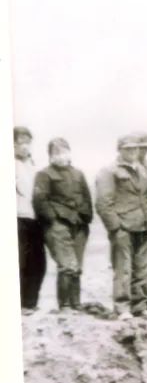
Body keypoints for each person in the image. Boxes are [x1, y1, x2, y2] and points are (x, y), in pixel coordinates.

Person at [96, 133, 147, 320]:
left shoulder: (143, 170)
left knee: (143, 270)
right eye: (128, 148)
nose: (132, 152)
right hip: (123, 227)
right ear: (120, 150)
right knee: (123, 269)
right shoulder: (109, 171)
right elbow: (103, 203)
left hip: (143, 227)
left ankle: (140, 307)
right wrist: (116, 228)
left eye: (135, 148)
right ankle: (122, 308)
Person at [32, 138, 93, 311]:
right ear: (50, 155)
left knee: (77, 266)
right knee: (66, 265)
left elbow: (87, 198)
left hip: (79, 225)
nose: (61, 156)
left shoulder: (78, 174)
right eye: (56, 152)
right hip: (58, 225)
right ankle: (65, 305)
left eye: (64, 151)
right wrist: (53, 220)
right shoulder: (44, 174)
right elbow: (40, 200)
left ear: (69, 152)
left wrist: (86, 218)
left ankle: (76, 304)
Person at [15, 126, 46, 314]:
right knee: (21, 261)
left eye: (27, 142)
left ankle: (30, 302)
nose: (24, 146)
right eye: (20, 143)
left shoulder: (35, 165)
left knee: (38, 262)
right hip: (18, 218)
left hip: (36, 218)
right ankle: (19, 304)